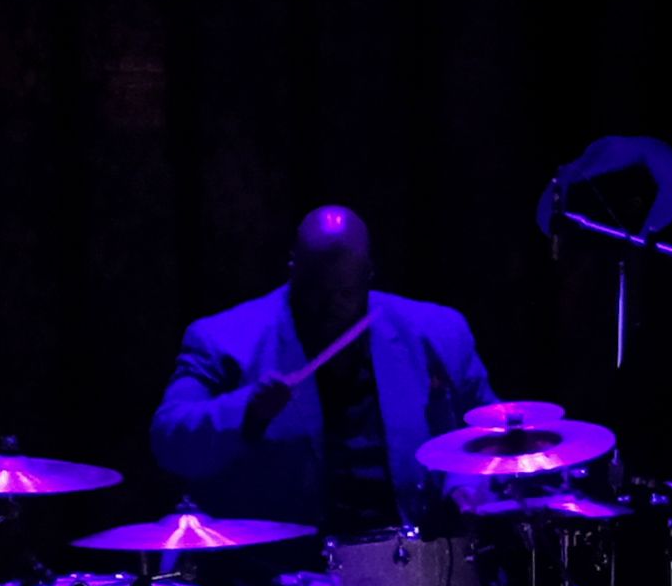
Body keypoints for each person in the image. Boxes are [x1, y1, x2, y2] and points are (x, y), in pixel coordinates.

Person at [150, 204, 497, 543]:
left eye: (344, 293)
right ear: (292, 268)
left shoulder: (436, 334)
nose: (328, 309)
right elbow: (170, 439)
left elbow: (487, 437)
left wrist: (465, 490)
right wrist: (247, 411)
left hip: (411, 571)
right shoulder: (225, 340)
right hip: (280, 580)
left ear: (368, 276)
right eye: (314, 291)